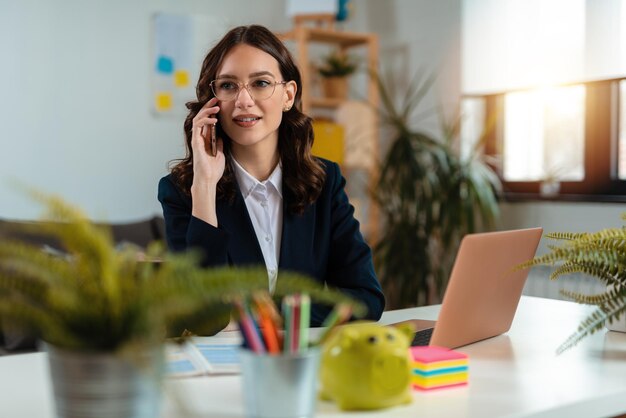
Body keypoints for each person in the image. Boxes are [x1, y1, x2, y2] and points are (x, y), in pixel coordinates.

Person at [158, 24, 384, 327]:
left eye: (261, 83)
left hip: (304, 361)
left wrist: (273, 315)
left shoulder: (324, 180)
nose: (243, 100)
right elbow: (202, 318)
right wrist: (205, 186)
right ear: (212, 101)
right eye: (227, 85)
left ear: (288, 95)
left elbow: (366, 298)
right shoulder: (182, 190)